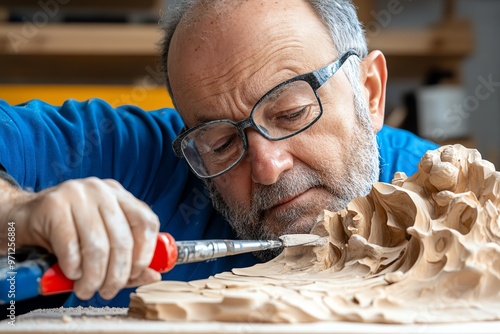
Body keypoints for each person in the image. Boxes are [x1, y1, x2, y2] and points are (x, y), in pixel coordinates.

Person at [0, 0, 438, 309]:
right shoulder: (133, 156)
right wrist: (18, 212)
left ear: (371, 92)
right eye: (222, 142)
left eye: (291, 113)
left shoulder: (448, 199)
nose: (268, 168)